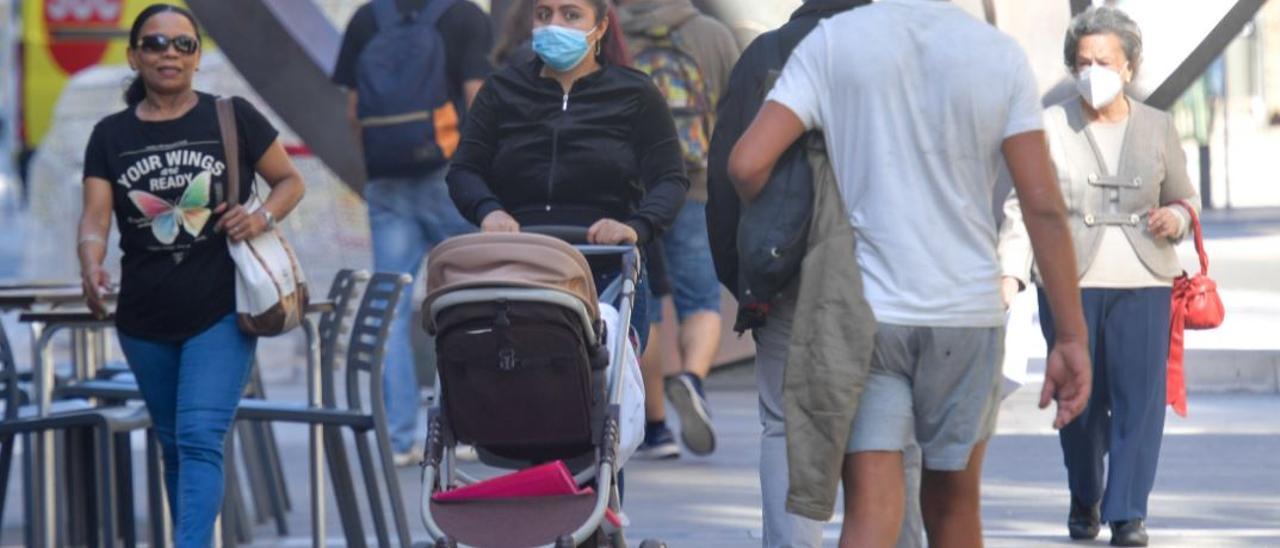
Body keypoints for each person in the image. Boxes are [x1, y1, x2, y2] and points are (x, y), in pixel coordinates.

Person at [728, 1, 1093, 546]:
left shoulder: (832, 45)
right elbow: (1042, 207)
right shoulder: (997, 55)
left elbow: (746, 163)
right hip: (964, 316)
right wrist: (1069, 335)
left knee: (872, 510)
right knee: (954, 508)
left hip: (867, 310)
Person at [77, 4, 305, 544]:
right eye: (155, 44)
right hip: (143, 316)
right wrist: (90, 260)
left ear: (198, 58)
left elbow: (289, 182)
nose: (169, 54)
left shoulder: (232, 116)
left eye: (183, 44)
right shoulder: (109, 135)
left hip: (220, 307)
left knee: (201, 436)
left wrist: (260, 215)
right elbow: (95, 216)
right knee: (174, 443)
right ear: (134, 57)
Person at [706, 2, 931, 545]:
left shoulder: (768, 53)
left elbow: (729, 174)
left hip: (791, 275)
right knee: (892, 434)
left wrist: (748, 277)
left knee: (787, 427)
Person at [997, 7, 1198, 546]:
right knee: (1081, 407)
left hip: (1146, 281)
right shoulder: (1049, 123)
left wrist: (1175, 218)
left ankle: (1128, 513)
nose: (1093, 72)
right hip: (1069, 285)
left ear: (1129, 67)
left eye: (1103, 61)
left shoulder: (1158, 126)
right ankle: (1086, 493)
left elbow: (1183, 196)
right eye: (1082, 62)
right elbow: (1024, 206)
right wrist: (1010, 277)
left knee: (1140, 401)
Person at [447, 0, 688, 354]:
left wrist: (637, 227)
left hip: (603, 264)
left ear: (601, 28)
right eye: (544, 14)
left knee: (599, 375)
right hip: (516, 260)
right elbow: (464, 169)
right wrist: (488, 210)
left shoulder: (635, 94)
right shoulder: (501, 90)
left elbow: (670, 178)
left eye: (570, 14)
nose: (554, 25)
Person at [332, 0, 494, 465]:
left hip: (388, 181)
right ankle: (464, 430)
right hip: (449, 177)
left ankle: (401, 437)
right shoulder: (463, 16)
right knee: (467, 302)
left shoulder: (367, 18)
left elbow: (352, 110)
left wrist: (383, 161)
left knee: (390, 308)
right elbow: (476, 98)